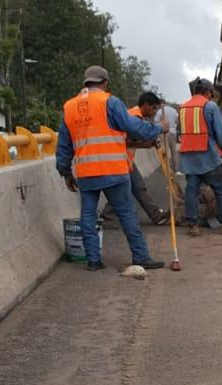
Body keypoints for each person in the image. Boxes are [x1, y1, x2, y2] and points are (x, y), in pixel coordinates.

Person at [56, 66, 166, 272]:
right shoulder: (110, 102)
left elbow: (64, 145)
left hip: (86, 174)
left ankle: (93, 261)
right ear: (105, 82)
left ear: (85, 83)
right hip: (114, 170)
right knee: (126, 214)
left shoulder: (69, 107)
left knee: (87, 217)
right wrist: (159, 128)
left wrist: (65, 172)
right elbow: (133, 127)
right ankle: (141, 256)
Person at [178, 77, 222, 236]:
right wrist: (220, 148)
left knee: (191, 191)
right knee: (220, 190)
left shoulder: (183, 107)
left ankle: (193, 225)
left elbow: (179, 133)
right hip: (209, 156)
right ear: (208, 92)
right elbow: (220, 133)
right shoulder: (210, 106)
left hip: (189, 159)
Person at [117, 91, 170, 226]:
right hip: (120, 159)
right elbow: (130, 140)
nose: (153, 112)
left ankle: (156, 215)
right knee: (127, 189)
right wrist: (158, 130)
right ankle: (109, 215)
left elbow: (131, 142)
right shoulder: (134, 117)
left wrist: (150, 144)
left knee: (137, 187)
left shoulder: (132, 114)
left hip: (125, 159)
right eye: (153, 108)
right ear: (146, 105)